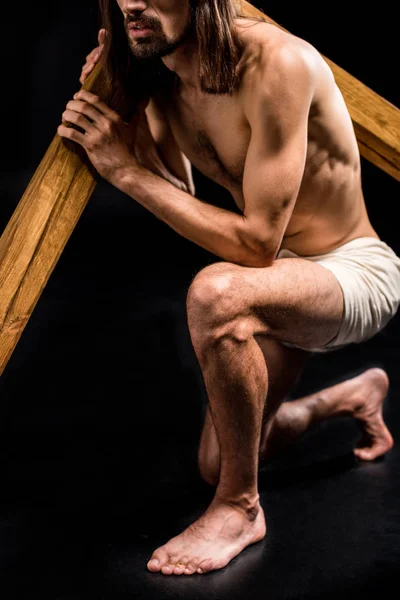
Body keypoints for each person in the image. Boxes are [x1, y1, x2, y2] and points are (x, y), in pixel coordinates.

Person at [58, 0, 400, 577]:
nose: (132, 3)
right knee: (220, 461)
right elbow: (176, 192)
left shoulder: (278, 63)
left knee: (217, 294)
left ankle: (241, 509)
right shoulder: (165, 71)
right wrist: (129, 116)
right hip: (280, 280)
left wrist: (122, 172)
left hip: (353, 270)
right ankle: (346, 398)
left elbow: (256, 245)